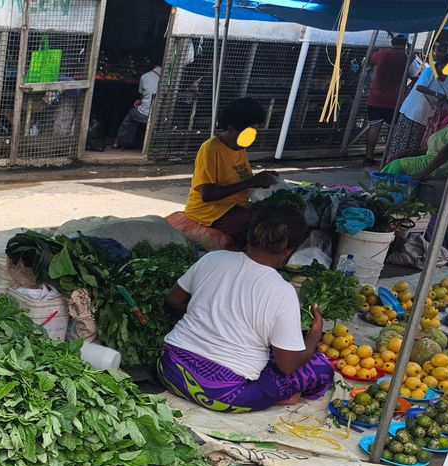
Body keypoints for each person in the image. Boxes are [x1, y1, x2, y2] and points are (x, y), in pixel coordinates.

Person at [159, 206, 333, 413]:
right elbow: (288, 365)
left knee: (270, 350)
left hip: (169, 369)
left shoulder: (212, 258)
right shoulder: (282, 291)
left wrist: (210, 311)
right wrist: (313, 337)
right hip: (218, 394)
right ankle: (280, 396)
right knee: (320, 367)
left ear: (250, 234)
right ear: (290, 251)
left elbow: (172, 300)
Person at [183, 97, 277, 249]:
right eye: (248, 133)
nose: (252, 137)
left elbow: (241, 179)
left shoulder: (239, 148)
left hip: (237, 207)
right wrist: (252, 182)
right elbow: (207, 194)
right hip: (209, 212)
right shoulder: (211, 148)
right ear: (231, 129)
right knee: (261, 228)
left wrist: (264, 178)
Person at [381, 84, 448, 182]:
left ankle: (377, 196)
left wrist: (422, 175)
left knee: (397, 166)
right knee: (397, 159)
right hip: (436, 160)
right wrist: (415, 152)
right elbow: (441, 148)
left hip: (445, 168)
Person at [383, 43, 448, 165]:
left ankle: (405, 169)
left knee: (414, 148)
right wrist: (437, 95)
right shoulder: (429, 72)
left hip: (427, 119)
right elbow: (420, 87)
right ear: (441, 64)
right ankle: (390, 166)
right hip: (412, 114)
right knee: (401, 144)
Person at [364, 35, 416, 166]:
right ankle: (389, 159)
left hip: (375, 97)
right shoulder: (408, 58)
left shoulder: (382, 53)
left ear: (392, 43)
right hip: (395, 99)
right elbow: (414, 75)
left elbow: (370, 60)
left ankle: (368, 157)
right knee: (392, 130)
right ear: (405, 45)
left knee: (374, 127)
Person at [114, 63, 160, 149]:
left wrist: (141, 100)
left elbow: (141, 94)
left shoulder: (144, 76)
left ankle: (118, 142)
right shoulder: (168, 78)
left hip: (145, 114)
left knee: (131, 115)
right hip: (159, 115)